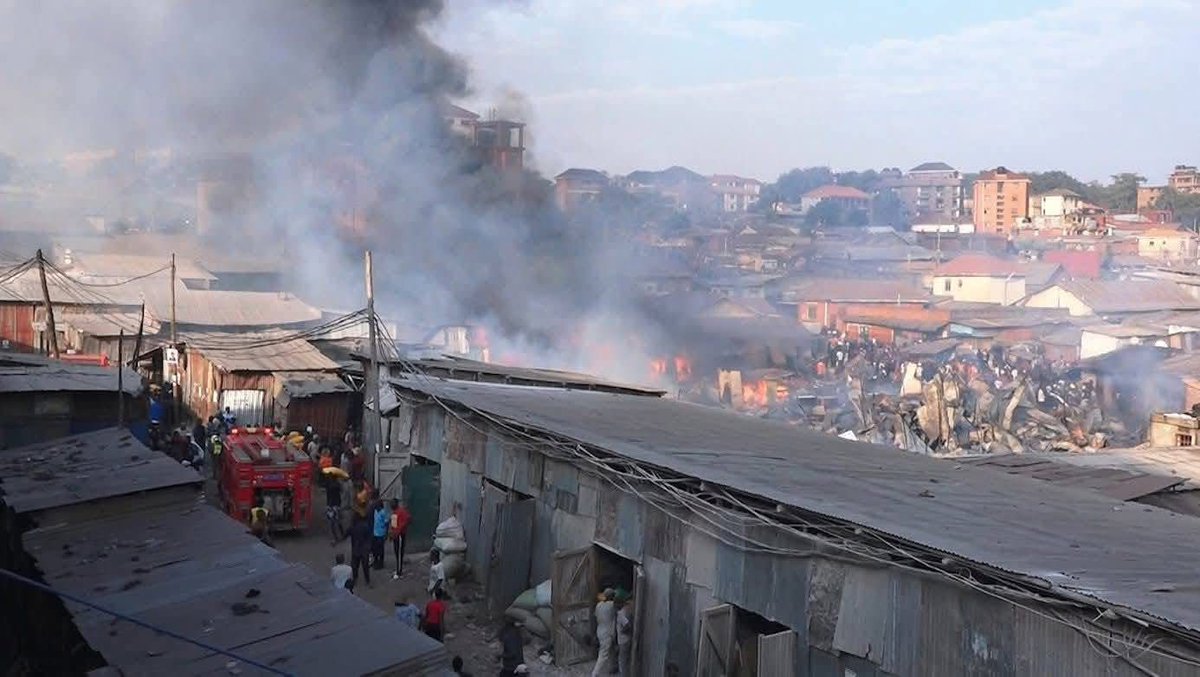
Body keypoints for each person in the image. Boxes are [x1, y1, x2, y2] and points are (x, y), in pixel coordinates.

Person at [591, 589, 616, 677]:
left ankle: (613, 667)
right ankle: (595, 673)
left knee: (612, 650)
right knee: (603, 654)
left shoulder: (599, 605)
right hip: (608, 632)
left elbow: (595, 617)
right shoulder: (611, 605)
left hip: (600, 630)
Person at [389, 498, 411, 579]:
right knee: (397, 553)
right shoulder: (395, 512)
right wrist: (392, 534)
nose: (391, 505)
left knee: (399, 553)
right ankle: (398, 569)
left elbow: (407, 520)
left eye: (392, 503)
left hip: (400, 535)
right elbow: (394, 526)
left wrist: (398, 531)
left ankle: (399, 572)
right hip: (396, 535)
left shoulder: (401, 512)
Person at [349, 514, 372, 589]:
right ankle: (367, 581)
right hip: (364, 550)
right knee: (365, 566)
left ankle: (355, 579)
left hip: (356, 549)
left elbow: (345, 535)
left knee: (355, 565)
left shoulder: (352, 527)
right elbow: (369, 538)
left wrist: (337, 541)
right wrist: (369, 547)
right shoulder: (365, 526)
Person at [615, 590, 633, 677]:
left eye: (616, 603)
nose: (615, 605)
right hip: (626, 640)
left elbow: (627, 625)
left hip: (624, 641)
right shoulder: (627, 609)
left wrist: (622, 632)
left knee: (622, 662)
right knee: (625, 661)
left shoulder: (621, 613)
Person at [325, 475, 345, 544]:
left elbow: (328, 495)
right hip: (337, 505)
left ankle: (335, 537)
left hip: (330, 505)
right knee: (339, 521)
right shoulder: (337, 485)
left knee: (332, 523)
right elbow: (341, 491)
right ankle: (342, 534)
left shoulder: (329, 485)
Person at [371, 495, 389, 570]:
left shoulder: (383, 512)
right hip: (375, 533)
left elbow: (387, 523)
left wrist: (386, 533)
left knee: (381, 549)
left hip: (381, 533)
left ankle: (381, 563)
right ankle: (375, 561)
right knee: (374, 549)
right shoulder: (375, 511)